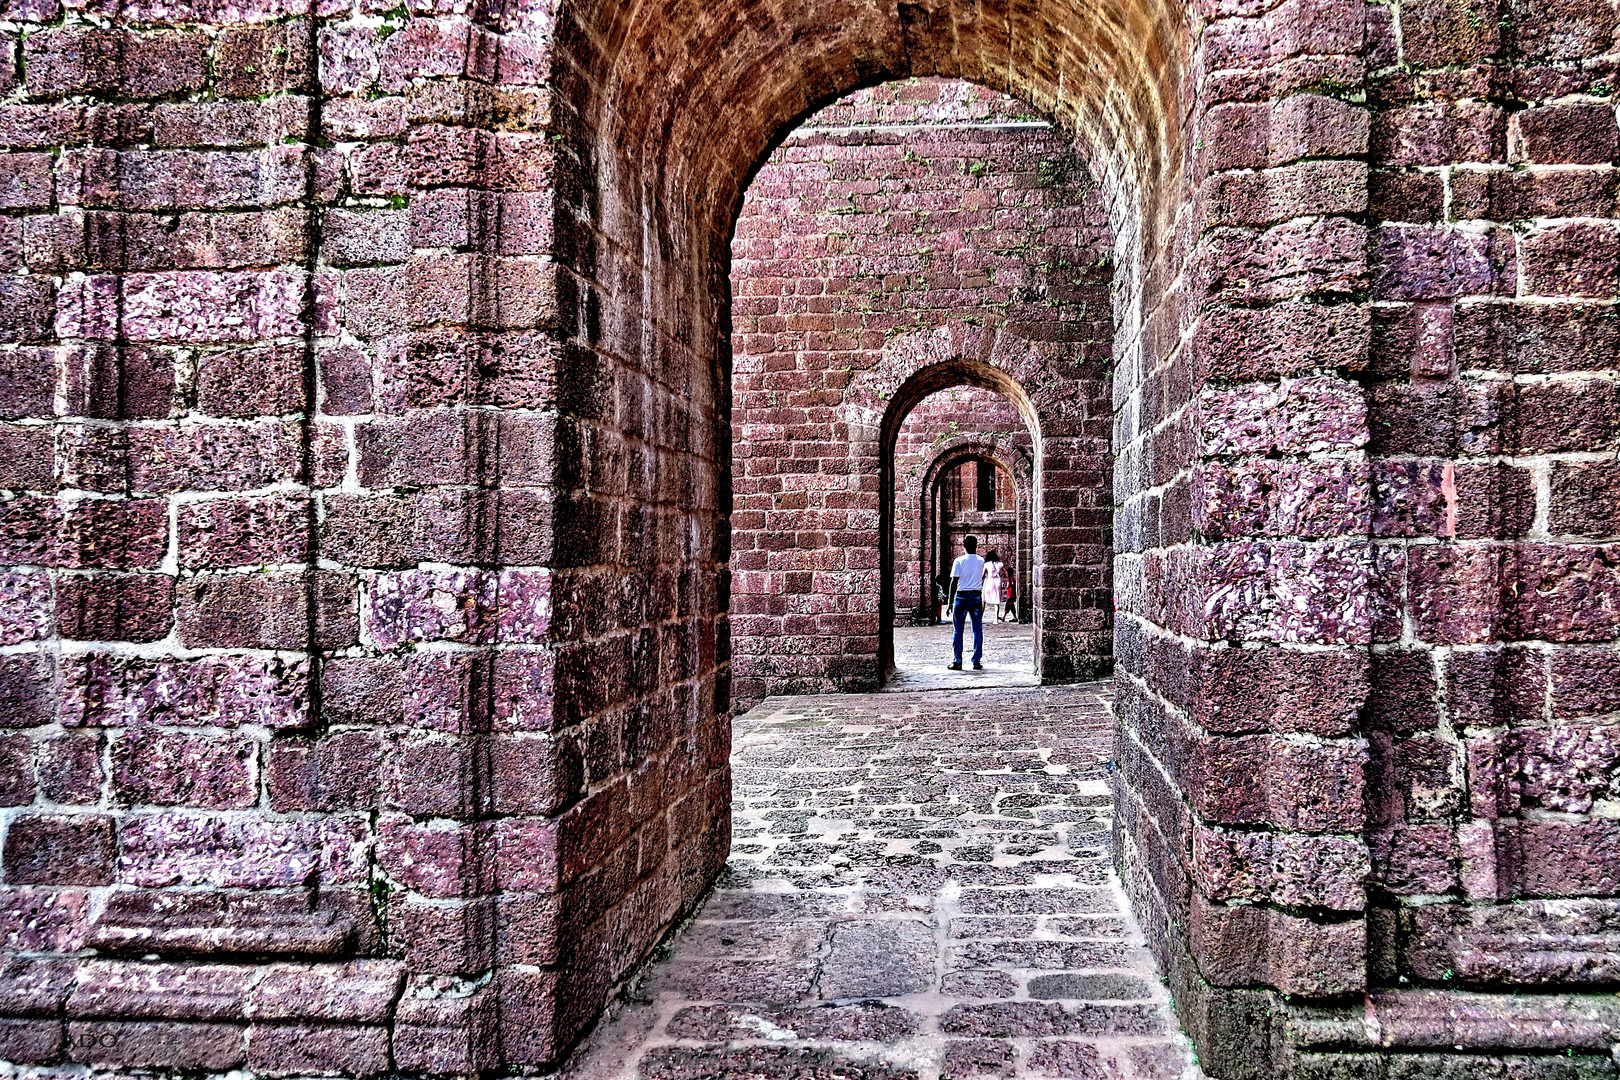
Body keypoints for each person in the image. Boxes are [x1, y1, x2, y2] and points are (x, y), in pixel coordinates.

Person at [947, 535, 985, 671]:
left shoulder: (959, 561)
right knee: (977, 629)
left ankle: (957, 661)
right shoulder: (981, 561)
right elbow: (982, 578)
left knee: (958, 630)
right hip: (976, 596)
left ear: (963, 545)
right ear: (976, 545)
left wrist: (950, 602)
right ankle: (976, 661)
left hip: (961, 596)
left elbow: (954, 582)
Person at [982, 550, 1004, 622]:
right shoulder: (1000, 564)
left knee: (984, 600)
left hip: (989, 581)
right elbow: (1006, 573)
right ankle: (996, 619)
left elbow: (982, 575)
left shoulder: (987, 564)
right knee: (996, 601)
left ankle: (980, 617)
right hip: (997, 581)